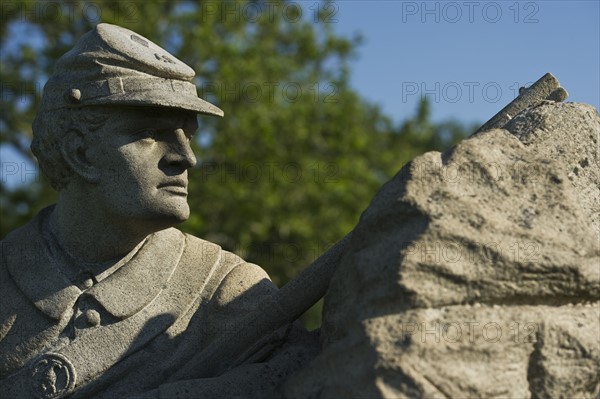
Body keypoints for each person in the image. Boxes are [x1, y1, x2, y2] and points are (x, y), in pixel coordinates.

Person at [0, 23, 317, 399]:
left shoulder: (228, 292)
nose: (186, 158)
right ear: (80, 153)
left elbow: (306, 376)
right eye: (152, 133)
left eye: (189, 134)